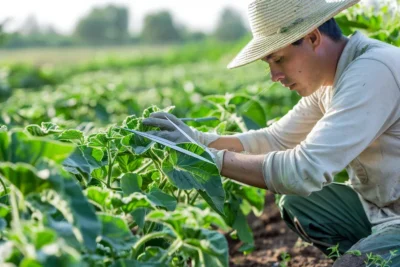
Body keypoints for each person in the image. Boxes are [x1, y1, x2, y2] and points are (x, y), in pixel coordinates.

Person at [142, 0, 400, 265]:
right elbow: (274, 140)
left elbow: (304, 170)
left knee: (352, 263)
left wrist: (207, 158)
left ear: (312, 37)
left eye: (279, 59)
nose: (274, 75)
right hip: (383, 214)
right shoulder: (331, 79)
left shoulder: (373, 71)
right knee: (301, 204)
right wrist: (195, 139)